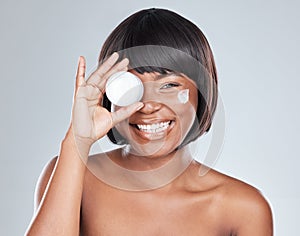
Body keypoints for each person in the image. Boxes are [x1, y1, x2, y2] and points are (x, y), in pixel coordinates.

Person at [26, 8, 273, 235]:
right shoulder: (72, 175)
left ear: (202, 93)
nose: (149, 106)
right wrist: (77, 141)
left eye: (169, 85)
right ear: (107, 95)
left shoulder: (243, 208)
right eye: (129, 87)